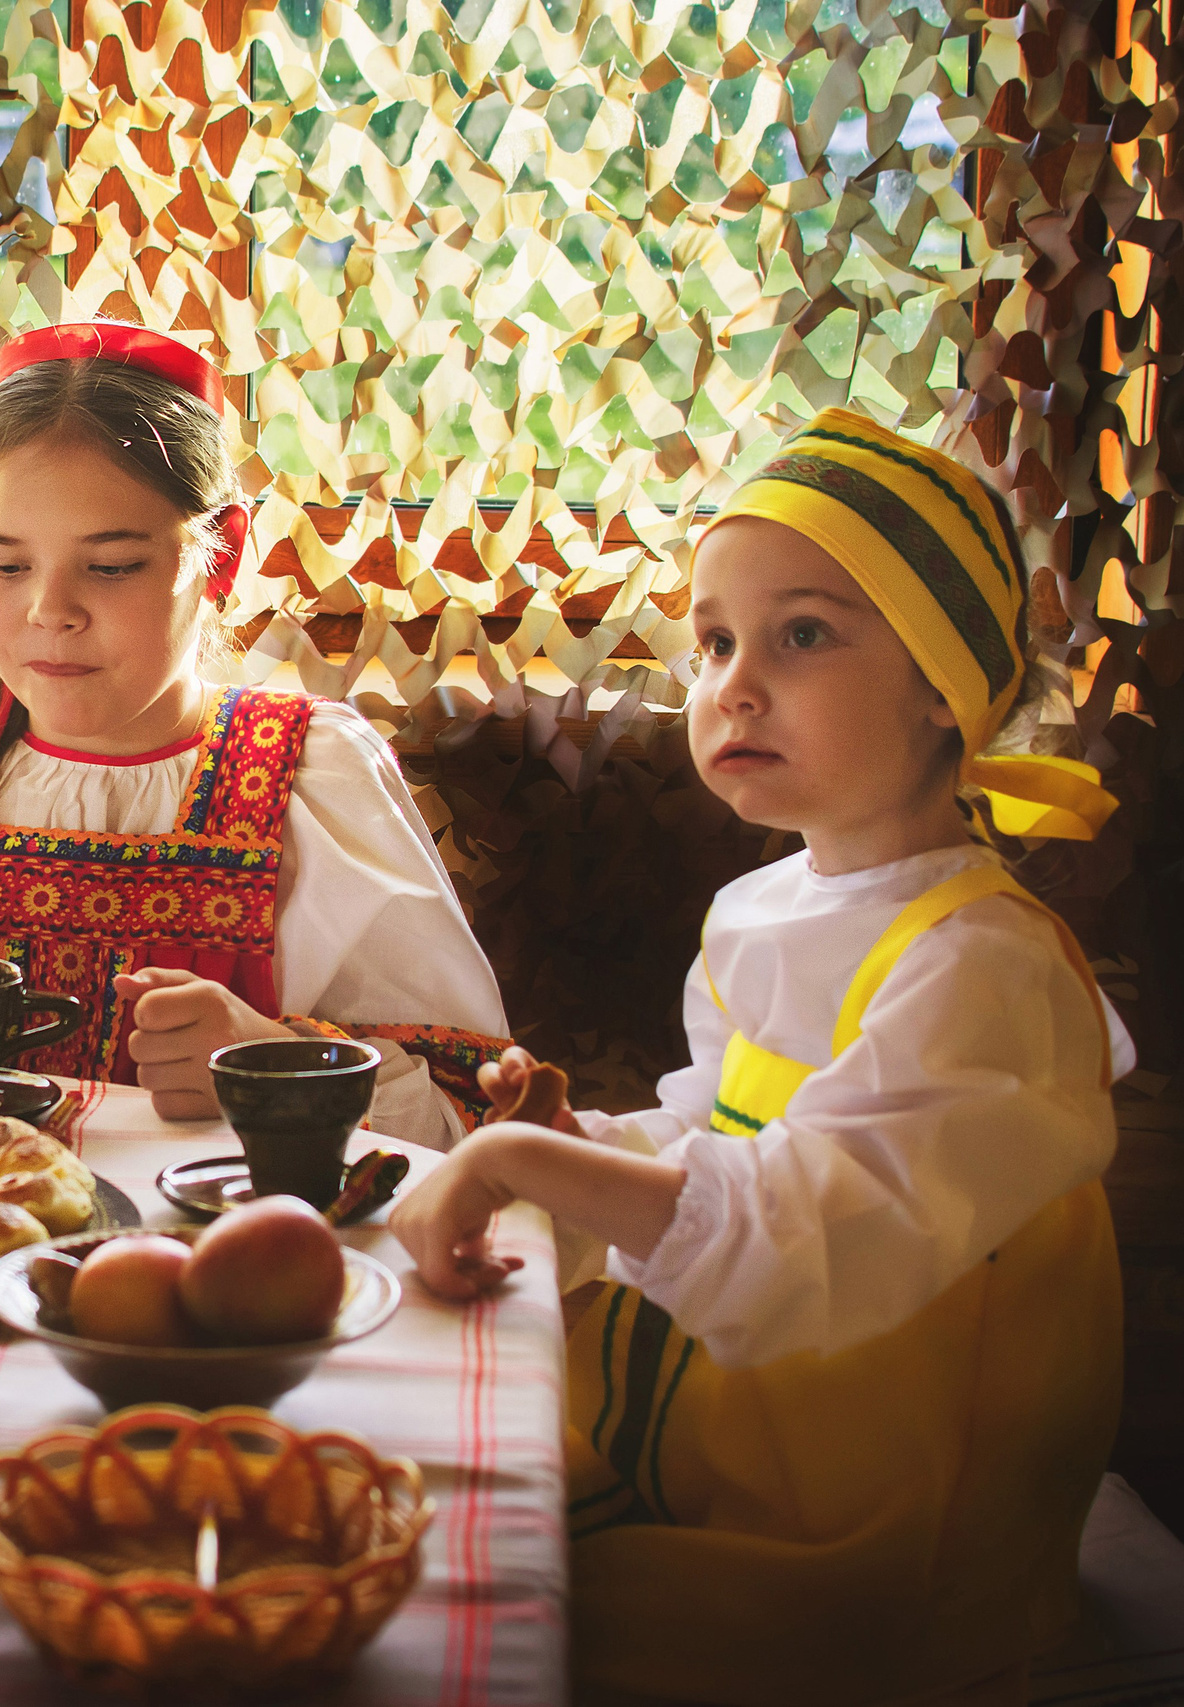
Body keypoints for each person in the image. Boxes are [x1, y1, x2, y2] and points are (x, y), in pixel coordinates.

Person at [390, 409, 1129, 1705]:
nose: (731, 678)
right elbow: (716, 1134)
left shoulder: (986, 967)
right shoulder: (759, 911)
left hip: (891, 1495)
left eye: (802, 634)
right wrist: (575, 1154)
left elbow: (813, 1229)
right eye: (716, 637)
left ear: (944, 688)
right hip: (753, 1390)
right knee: (423, 1497)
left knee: (524, 1629)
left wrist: (517, 1156)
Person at [0, 323, 506, 1147]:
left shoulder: (310, 781)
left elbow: (479, 1126)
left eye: (111, 566)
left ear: (222, 557)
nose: (48, 611)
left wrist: (271, 1055)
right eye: (5, 564)